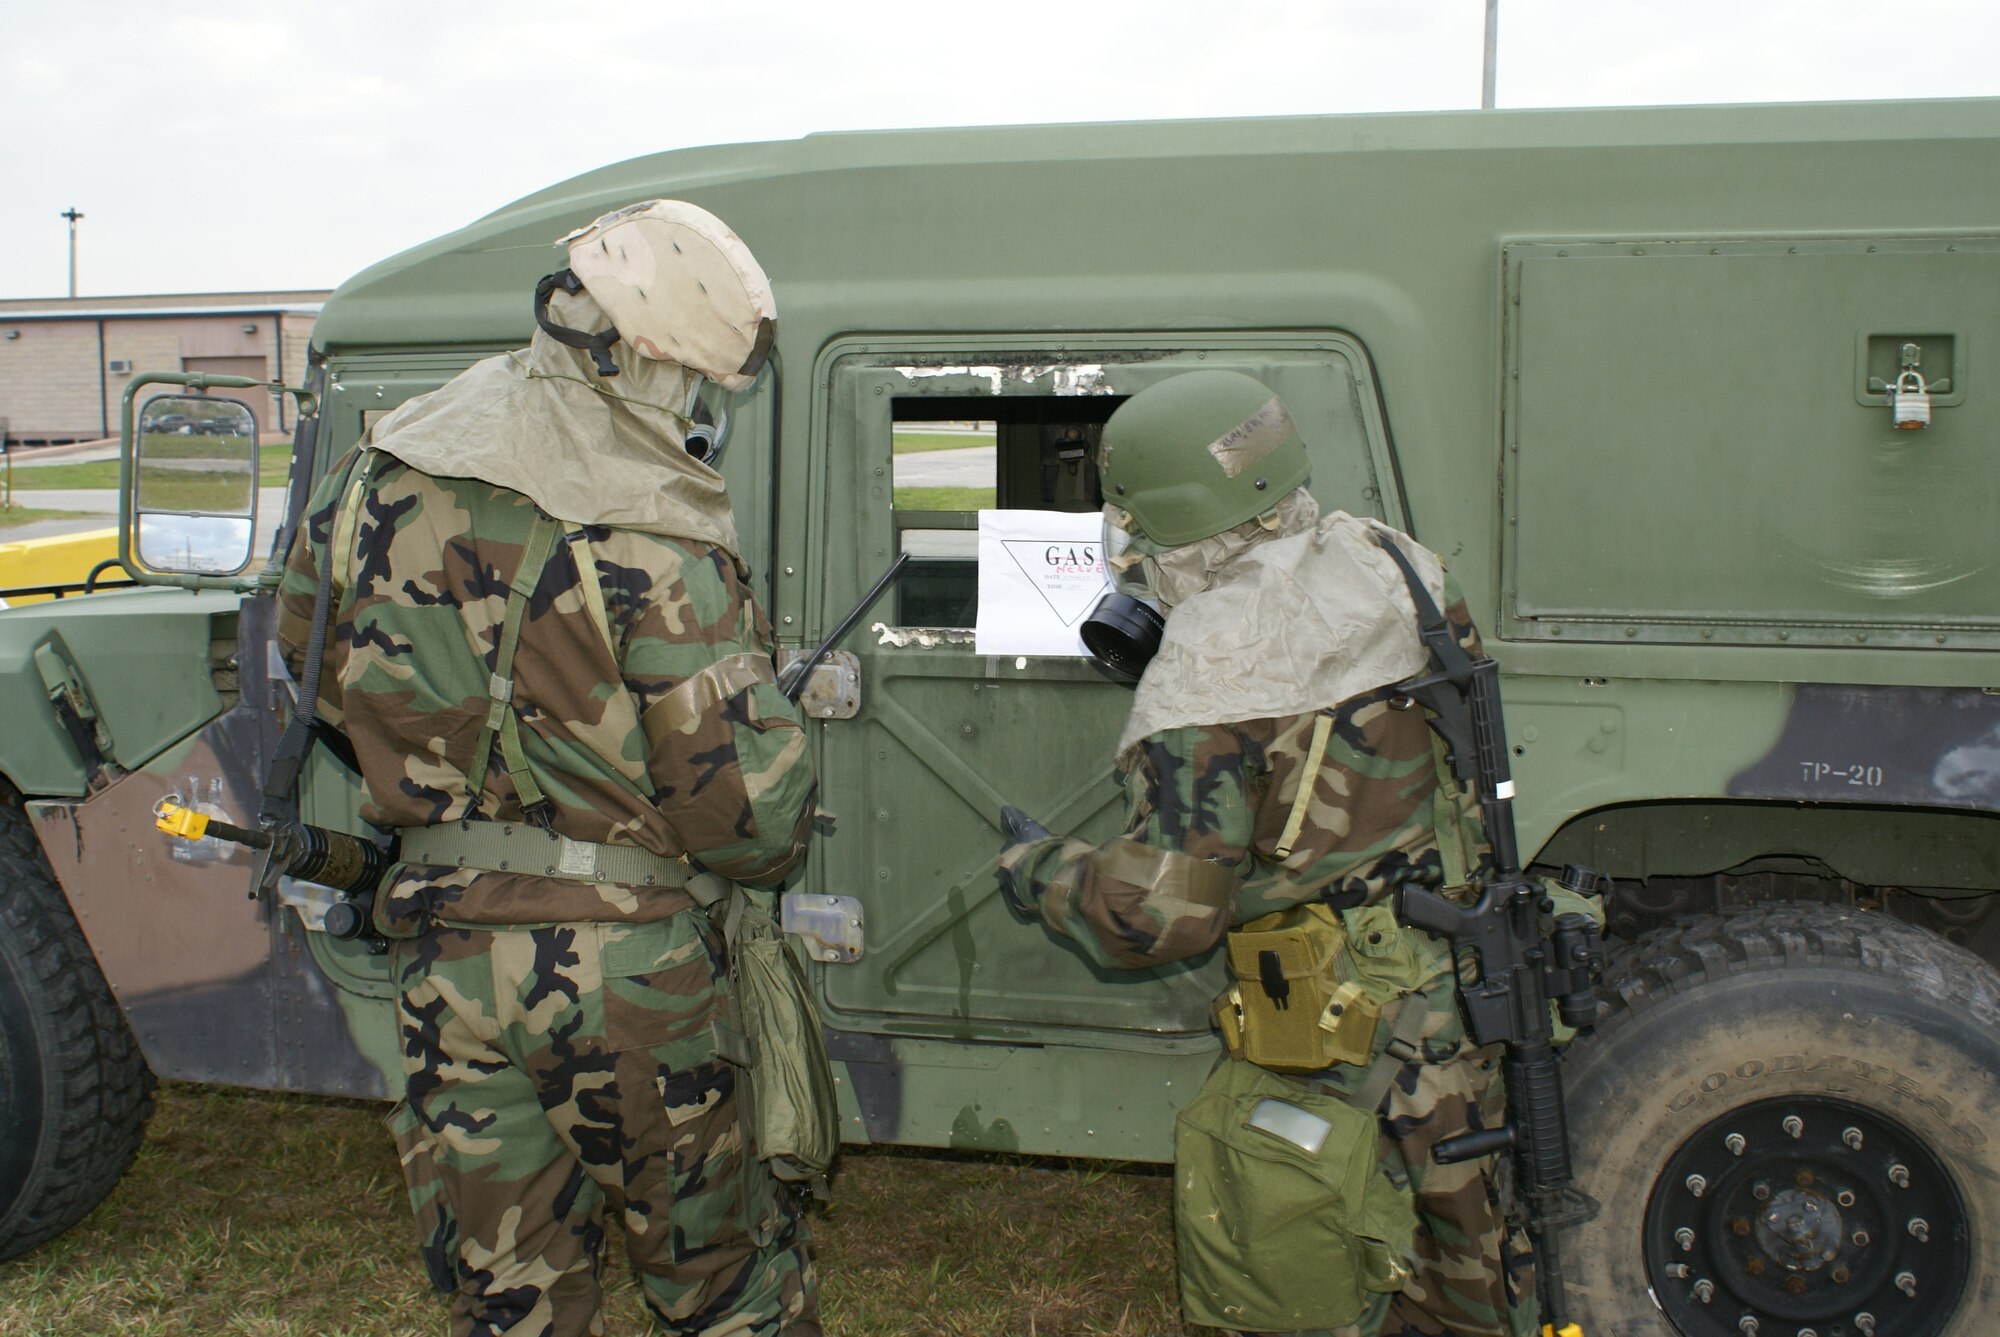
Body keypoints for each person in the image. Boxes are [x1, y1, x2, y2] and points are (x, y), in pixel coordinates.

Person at [278, 200, 820, 1336]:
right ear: (658, 359)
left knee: (508, 1292)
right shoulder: (655, 521)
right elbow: (744, 816)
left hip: (442, 951)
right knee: (721, 1285)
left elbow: (306, 662)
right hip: (626, 973)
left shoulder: (383, 461)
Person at [997, 369, 1534, 1337]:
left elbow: (1161, 913)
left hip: (1337, 1038)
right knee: (1472, 1275)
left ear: (1152, 516)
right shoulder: (1392, 564)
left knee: (1306, 1270)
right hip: (1462, 991)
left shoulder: (1210, 664)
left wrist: (1040, 872)